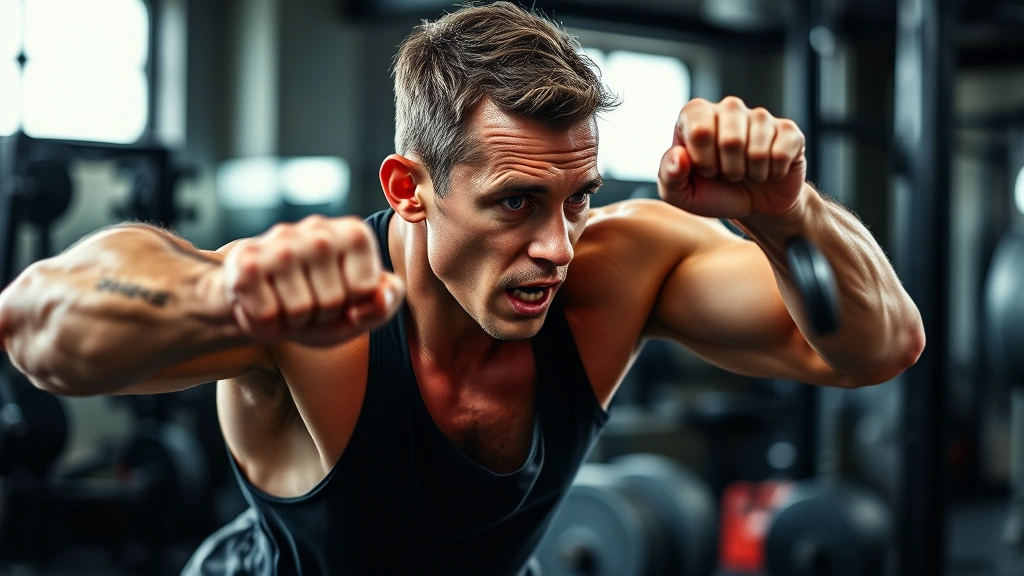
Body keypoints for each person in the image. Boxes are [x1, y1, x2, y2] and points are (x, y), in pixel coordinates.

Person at [0, 2, 924, 575]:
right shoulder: (321, 316)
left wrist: (787, 213)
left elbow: (877, 347)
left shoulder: (615, 268)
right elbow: (37, 324)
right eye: (516, 202)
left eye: (578, 198)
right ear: (409, 189)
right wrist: (219, 303)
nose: (557, 246)